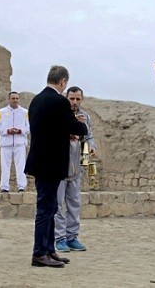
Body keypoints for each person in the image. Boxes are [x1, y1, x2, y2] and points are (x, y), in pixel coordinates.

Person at [25, 65, 87, 268]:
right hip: (51, 163)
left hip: (40, 161)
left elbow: (48, 129)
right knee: (45, 209)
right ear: (62, 82)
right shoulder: (59, 101)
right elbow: (72, 126)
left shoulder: (36, 100)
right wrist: (82, 125)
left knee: (50, 207)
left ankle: (49, 250)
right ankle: (39, 253)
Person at [54, 86, 96, 253]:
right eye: (72, 98)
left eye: (78, 99)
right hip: (59, 165)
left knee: (74, 203)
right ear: (66, 98)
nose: (74, 102)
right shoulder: (59, 114)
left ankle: (72, 236)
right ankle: (59, 238)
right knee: (58, 203)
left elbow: (89, 136)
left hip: (76, 166)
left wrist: (91, 146)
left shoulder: (85, 117)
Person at [0, 92, 30, 193]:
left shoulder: (25, 112)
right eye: (13, 98)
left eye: (17, 98)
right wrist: (6, 131)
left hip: (19, 143)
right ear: (9, 99)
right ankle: (4, 187)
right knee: (5, 166)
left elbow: (29, 127)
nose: (15, 100)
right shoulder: (1, 112)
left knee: (21, 165)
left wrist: (20, 131)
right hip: (6, 143)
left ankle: (21, 186)